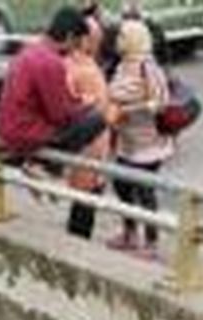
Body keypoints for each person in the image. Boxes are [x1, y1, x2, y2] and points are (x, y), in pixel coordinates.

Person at [0, 6, 107, 163]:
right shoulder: (52, 62)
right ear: (69, 37)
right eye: (76, 44)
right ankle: (48, 165)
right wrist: (84, 105)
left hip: (7, 126)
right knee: (97, 119)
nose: (75, 50)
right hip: (24, 134)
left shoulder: (30, 49)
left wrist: (76, 103)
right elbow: (60, 115)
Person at [106, 18, 172, 257]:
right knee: (121, 184)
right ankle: (130, 233)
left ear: (134, 40)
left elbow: (161, 103)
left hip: (149, 144)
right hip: (126, 142)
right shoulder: (122, 65)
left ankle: (152, 243)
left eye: (122, 36)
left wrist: (128, 111)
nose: (117, 40)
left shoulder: (148, 66)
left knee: (145, 191)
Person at [64, 12, 117, 239]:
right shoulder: (84, 69)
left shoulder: (74, 63)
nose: (99, 42)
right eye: (96, 38)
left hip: (89, 144)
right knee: (85, 206)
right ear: (85, 40)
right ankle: (77, 244)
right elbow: (92, 110)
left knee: (82, 203)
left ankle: (74, 238)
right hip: (90, 147)